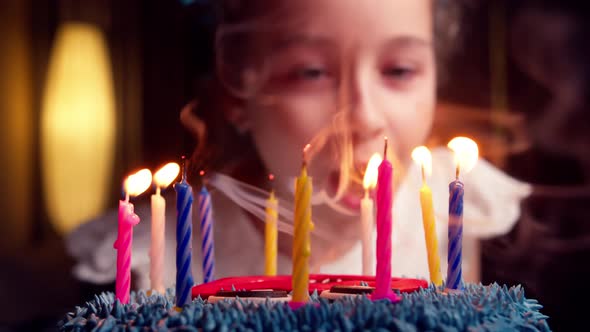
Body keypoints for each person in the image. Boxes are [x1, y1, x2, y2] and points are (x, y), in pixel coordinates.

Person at [67, 0, 529, 291]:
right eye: (311, 72)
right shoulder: (154, 253)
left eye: (399, 70)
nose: (364, 117)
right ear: (236, 95)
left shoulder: (474, 214)